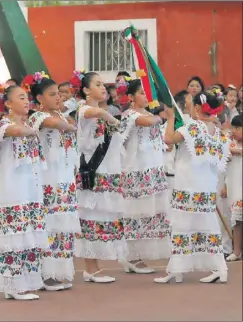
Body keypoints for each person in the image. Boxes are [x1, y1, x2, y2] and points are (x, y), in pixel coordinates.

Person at [154, 91, 229, 284]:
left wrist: (170, 118)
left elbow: (169, 139)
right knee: (209, 226)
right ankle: (219, 268)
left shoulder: (193, 127)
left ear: (197, 108)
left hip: (188, 184)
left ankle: (177, 269)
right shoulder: (218, 130)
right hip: (206, 186)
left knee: (181, 225)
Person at [0, 85, 48, 300]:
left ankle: (21, 283)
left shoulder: (26, 125)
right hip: (13, 190)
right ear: (7, 103)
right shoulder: (3, 125)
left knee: (28, 235)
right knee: (14, 235)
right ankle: (12, 285)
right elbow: (16, 131)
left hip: (30, 188)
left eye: (27, 98)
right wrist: (33, 129)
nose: (26, 101)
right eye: (20, 98)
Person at [29, 73, 80, 291]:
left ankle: (57, 273)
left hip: (65, 177)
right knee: (48, 225)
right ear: (40, 98)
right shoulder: (37, 118)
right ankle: (44, 274)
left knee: (62, 227)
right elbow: (62, 125)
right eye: (52, 94)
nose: (58, 97)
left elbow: (70, 126)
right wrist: (68, 121)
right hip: (47, 178)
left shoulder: (61, 116)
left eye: (59, 94)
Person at [75, 72, 127, 283]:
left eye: (103, 84)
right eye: (97, 84)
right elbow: (91, 112)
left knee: (101, 218)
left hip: (107, 172)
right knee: (91, 217)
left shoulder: (103, 111)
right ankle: (90, 267)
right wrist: (108, 117)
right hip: (94, 171)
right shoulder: (85, 109)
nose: (103, 87)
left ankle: (95, 267)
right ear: (86, 90)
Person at [119, 79, 170, 273]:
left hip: (153, 169)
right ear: (131, 97)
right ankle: (131, 256)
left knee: (150, 213)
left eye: (147, 92)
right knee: (135, 213)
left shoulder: (149, 113)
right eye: (141, 93)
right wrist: (162, 116)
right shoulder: (130, 115)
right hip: (137, 170)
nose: (146, 96)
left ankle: (137, 256)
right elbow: (149, 122)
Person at [224, 114, 242, 261]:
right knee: (237, 220)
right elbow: (224, 154)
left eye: (238, 128)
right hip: (235, 186)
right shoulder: (229, 142)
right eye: (233, 128)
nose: (234, 131)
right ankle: (236, 251)